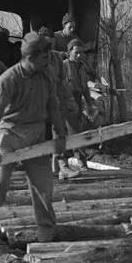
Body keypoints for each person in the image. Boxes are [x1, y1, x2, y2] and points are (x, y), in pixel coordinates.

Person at [0, 32, 68, 247]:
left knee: (43, 187)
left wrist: (59, 136)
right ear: (30, 58)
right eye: (44, 57)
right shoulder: (8, 80)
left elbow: (53, 106)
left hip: (38, 134)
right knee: (0, 183)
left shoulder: (47, 74)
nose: (49, 60)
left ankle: (46, 233)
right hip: (9, 134)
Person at [39, 27, 81, 181]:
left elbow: (63, 81)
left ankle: (62, 168)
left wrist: (71, 99)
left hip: (56, 100)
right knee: (42, 135)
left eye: (51, 44)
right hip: (39, 101)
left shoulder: (57, 58)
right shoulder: (33, 58)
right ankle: (46, 169)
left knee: (60, 132)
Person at [63, 38, 97, 172]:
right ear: (69, 51)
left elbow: (84, 88)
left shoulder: (82, 66)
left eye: (81, 53)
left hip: (78, 102)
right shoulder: (64, 66)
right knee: (74, 132)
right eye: (76, 52)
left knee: (77, 131)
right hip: (66, 102)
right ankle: (81, 162)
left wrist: (89, 104)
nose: (79, 55)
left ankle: (68, 164)